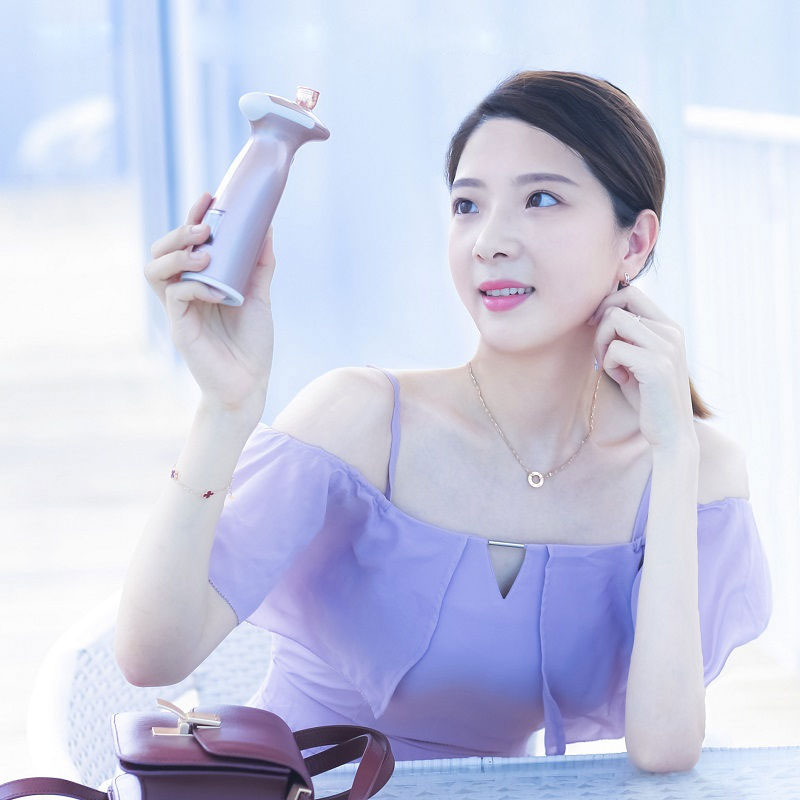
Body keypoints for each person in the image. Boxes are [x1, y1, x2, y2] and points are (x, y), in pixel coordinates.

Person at [114, 70, 772, 772]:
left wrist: (672, 454)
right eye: (467, 205)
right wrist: (225, 410)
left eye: (541, 199)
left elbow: (665, 748)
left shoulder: (692, 466)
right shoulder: (362, 420)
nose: (489, 241)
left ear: (634, 243)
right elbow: (152, 657)